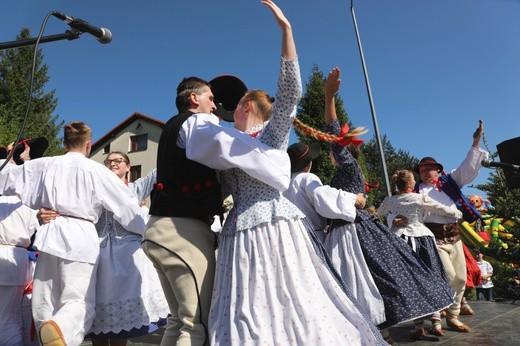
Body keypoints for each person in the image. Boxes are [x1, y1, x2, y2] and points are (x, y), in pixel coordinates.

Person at [171, 2, 386, 344]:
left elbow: (290, 92)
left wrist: (287, 30)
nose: (230, 110)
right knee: (245, 303)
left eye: (237, 104)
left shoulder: (270, 135)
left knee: (289, 298)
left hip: (274, 223)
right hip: (237, 230)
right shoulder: (225, 144)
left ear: (248, 106)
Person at [142, 4, 295, 343]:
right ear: (194, 98)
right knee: (194, 324)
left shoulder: (177, 131)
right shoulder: (199, 125)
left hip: (162, 231)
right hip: (183, 233)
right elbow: (227, 146)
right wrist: (267, 161)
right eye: (211, 98)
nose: (216, 105)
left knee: (180, 321)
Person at [307, 66, 455, 335]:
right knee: (370, 279)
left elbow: (333, 133)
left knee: (364, 279)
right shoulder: (348, 170)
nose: (332, 150)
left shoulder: (348, 166)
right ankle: (377, 332)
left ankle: (374, 331)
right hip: (348, 228)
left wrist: (328, 97)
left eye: (335, 148)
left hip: (352, 231)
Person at [0, 122, 149, 346]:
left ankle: (49, 329)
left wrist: (12, 156)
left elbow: (6, 178)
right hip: (80, 237)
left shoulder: (44, 165)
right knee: (78, 300)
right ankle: (60, 328)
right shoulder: (96, 171)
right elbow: (127, 209)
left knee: (45, 300)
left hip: (50, 235)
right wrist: (148, 231)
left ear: (64, 142)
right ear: (88, 145)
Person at [283, 141, 386, 327]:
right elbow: (323, 198)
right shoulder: (307, 179)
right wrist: (353, 198)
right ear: (309, 164)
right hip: (314, 237)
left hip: (292, 239)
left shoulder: (284, 185)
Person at [408, 119, 488, 333]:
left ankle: (453, 317)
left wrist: (476, 141)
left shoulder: (450, 181)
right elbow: (401, 207)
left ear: (438, 170)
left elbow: (468, 166)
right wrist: (399, 219)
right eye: (422, 169)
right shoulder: (415, 190)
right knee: (450, 276)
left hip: (455, 237)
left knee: (461, 278)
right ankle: (437, 313)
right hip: (433, 239)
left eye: (429, 169)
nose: (425, 172)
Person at [84, 151, 168, 345]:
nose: (113, 163)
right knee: (99, 315)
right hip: (99, 252)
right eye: (109, 161)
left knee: (121, 325)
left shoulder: (134, 188)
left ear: (128, 167)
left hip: (126, 257)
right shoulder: (96, 190)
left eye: (118, 160)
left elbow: (158, 172)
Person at [377, 169, 462, 339]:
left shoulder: (389, 200)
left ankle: (418, 325)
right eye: (413, 180)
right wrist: (457, 213)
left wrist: (392, 217)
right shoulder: (418, 197)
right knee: (432, 277)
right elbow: (439, 208)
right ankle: (436, 322)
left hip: (400, 242)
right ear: (409, 184)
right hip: (422, 239)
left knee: (411, 282)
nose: (415, 182)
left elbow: (378, 213)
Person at [0, 140, 44, 346]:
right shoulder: (30, 192)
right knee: (11, 319)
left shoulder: (10, 178)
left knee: (6, 320)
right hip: (17, 261)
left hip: (10, 257)